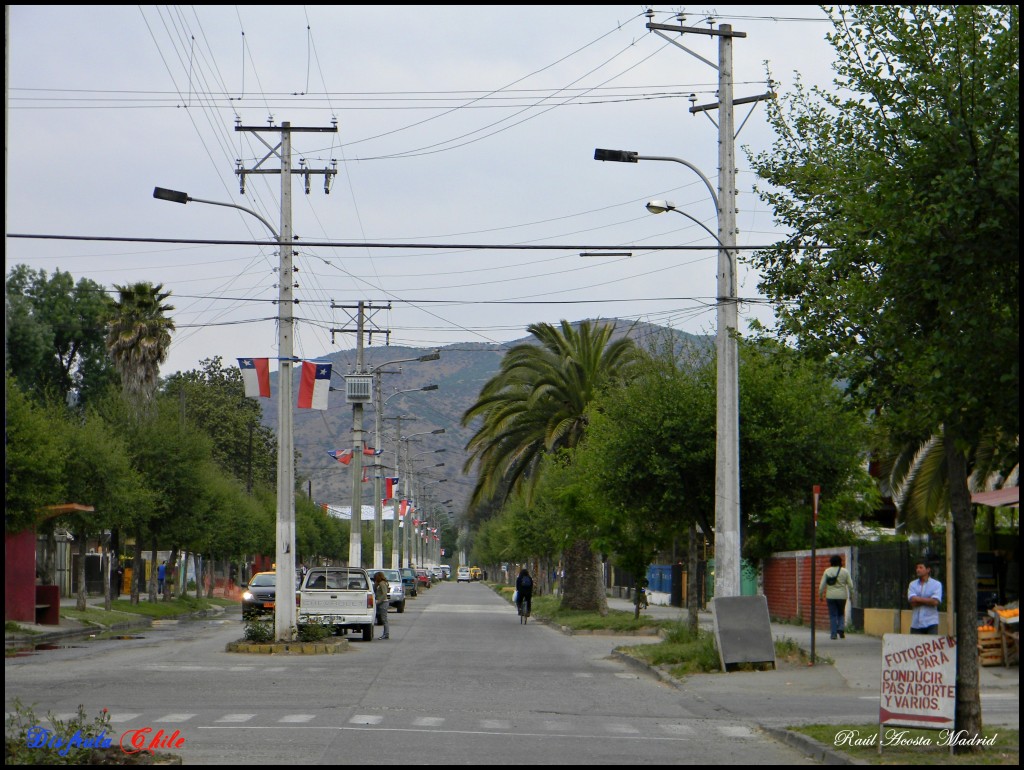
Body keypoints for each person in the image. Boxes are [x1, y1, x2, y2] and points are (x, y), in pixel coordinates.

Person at [818, 554, 854, 639]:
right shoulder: (845, 571)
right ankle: (841, 628)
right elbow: (850, 585)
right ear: (840, 562)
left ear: (831, 562)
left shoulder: (827, 571)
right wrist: (851, 595)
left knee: (833, 615)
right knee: (841, 613)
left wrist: (820, 595)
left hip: (830, 596)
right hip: (842, 596)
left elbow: (822, 586)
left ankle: (833, 634)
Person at [908, 562, 942, 634]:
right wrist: (929, 600)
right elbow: (912, 602)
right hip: (916, 624)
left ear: (928, 570)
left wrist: (917, 598)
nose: (918, 570)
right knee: (915, 645)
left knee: (930, 644)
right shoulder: (912, 584)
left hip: (931, 623)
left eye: (920, 567)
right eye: (917, 568)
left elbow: (935, 602)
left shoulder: (936, 584)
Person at [373, 571, 390, 640]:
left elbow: (384, 594)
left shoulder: (382, 584)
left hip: (383, 603)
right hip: (380, 602)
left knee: (384, 619)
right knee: (380, 618)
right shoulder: (379, 584)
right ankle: (386, 634)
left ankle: (386, 634)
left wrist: (378, 601)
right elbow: (374, 590)